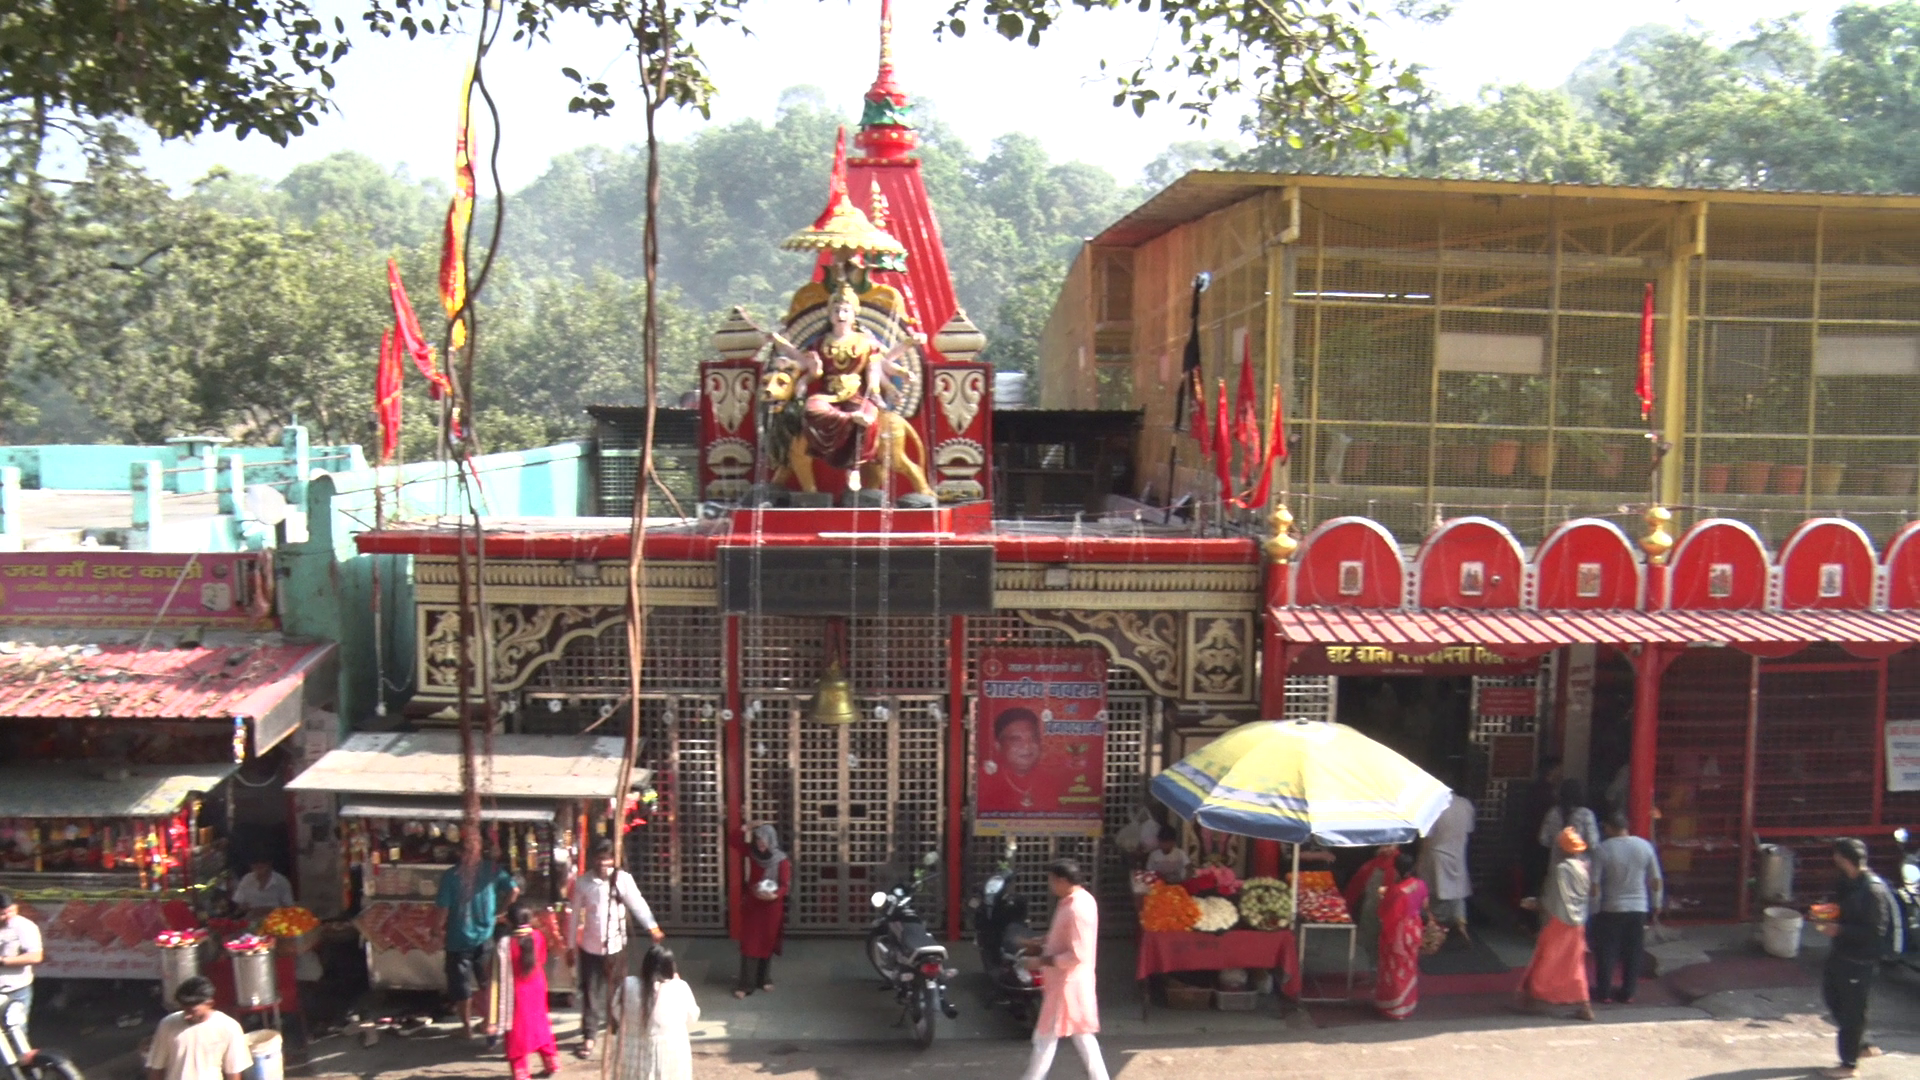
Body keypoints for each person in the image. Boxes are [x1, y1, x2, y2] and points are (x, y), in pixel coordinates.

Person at [766, 280, 924, 473]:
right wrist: (781, 344)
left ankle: (856, 463)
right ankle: (849, 419)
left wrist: (907, 348)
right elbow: (800, 360)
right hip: (828, 396)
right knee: (811, 409)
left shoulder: (866, 342)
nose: (841, 315)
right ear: (829, 315)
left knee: (870, 418)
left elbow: (882, 364)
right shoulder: (820, 343)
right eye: (836, 311)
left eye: (845, 311)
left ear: (854, 313)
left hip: (857, 396)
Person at [566, 840, 663, 1058]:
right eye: (600, 858)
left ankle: (617, 1027)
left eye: (608, 858)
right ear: (593, 859)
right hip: (590, 948)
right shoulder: (583, 883)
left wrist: (652, 927)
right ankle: (589, 1036)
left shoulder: (623, 880)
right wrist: (570, 946)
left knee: (618, 991)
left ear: (614, 858)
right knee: (590, 993)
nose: (604, 863)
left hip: (616, 946)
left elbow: (637, 903)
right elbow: (573, 917)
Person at [1814, 838, 1897, 1078]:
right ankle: (1861, 1045)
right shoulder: (1846, 882)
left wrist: (1839, 930)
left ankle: (1849, 1065)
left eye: (1836, 855)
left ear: (1843, 857)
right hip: (1841, 953)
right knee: (1832, 997)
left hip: (1860, 960)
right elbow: (1841, 907)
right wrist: (1826, 913)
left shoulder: (1872, 890)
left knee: (1852, 1010)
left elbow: (1875, 932)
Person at [1019, 859, 1108, 1080]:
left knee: (1045, 1037)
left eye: (1051, 880)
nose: (1050, 885)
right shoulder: (1073, 901)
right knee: (1082, 1036)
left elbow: (1077, 954)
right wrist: (1041, 942)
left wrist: (1040, 961)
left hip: (1067, 983)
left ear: (1061, 880)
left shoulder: (1078, 907)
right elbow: (1065, 937)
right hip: (1068, 982)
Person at [436, 851, 520, 1040]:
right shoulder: (491, 870)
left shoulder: (452, 876)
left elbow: (443, 909)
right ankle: (488, 1023)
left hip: (458, 939)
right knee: (487, 982)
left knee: (461, 985)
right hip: (485, 935)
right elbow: (514, 889)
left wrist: (436, 929)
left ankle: (466, 1028)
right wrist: (501, 913)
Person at [1517, 827, 1595, 1022]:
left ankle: (1533, 998)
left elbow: (1553, 898)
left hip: (1558, 921)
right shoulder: (1584, 868)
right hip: (1578, 922)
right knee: (1574, 964)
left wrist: (1536, 904)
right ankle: (1584, 1005)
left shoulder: (1561, 870)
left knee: (1545, 959)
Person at [1590, 812, 1663, 1004]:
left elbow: (1594, 884)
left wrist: (1594, 908)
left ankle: (1604, 992)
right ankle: (1628, 992)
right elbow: (1655, 879)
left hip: (1610, 907)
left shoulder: (1602, 849)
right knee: (1633, 951)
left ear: (1609, 828)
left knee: (1607, 951)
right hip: (1638, 907)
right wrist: (1656, 903)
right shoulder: (1644, 846)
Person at [145, 976, 251, 1080]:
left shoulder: (229, 1028)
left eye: (193, 1011)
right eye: (184, 1009)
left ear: (209, 1004)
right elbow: (156, 1068)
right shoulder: (167, 1025)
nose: (187, 1016)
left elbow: (233, 1072)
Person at [495, 906, 558, 1080]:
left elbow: (498, 972)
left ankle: (521, 1070)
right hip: (537, 986)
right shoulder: (538, 936)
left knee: (516, 1029)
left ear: (509, 921)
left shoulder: (505, 944)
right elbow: (542, 959)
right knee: (541, 1022)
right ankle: (551, 1059)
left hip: (516, 991)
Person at [729, 823, 791, 998]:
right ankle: (746, 984)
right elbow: (733, 840)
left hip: (771, 908)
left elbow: (785, 885)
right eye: (758, 840)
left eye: (763, 840)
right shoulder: (752, 853)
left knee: (766, 942)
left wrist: (775, 895)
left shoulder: (781, 860)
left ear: (771, 840)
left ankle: (764, 979)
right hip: (753, 905)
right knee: (750, 944)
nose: (760, 844)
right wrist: (747, 827)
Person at [1374, 851, 1428, 1020]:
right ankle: (1407, 1004)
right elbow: (1425, 905)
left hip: (1397, 933)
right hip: (1414, 930)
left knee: (1393, 968)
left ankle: (1394, 1007)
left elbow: (1385, 913)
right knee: (1409, 967)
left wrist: (1382, 896)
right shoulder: (1421, 884)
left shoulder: (1397, 891)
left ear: (1396, 870)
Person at [980, 707, 1063, 814]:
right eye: (1016, 739)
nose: (1027, 746)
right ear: (998, 746)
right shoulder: (982, 781)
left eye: (1033, 738)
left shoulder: (1054, 782)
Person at [1419, 790, 1475, 945]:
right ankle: (1460, 924)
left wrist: (1420, 861)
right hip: (1458, 854)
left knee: (1436, 895)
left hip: (1436, 855)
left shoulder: (1434, 806)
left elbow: (1427, 837)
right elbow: (1469, 829)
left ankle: (1437, 931)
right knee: (1458, 893)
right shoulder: (1465, 804)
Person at [637, 945, 701, 1080]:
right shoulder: (680, 987)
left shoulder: (629, 986)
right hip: (673, 1053)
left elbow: (618, 1012)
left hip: (637, 1053)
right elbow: (692, 1016)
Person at [1344, 844, 1399, 968]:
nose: (1386, 849)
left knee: (1382, 945)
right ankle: (1373, 973)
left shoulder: (1397, 868)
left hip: (1387, 914)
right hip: (1371, 910)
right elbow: (1356, 887)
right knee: (1370, 943)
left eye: (1390, 846)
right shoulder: (1371, 867)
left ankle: (1379, 975)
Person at [0, 892, 43, 1043]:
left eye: (10, 912)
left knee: (16, 1035)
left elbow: (35, 956)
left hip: (16, 991)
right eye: (2, 914)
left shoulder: (25, 926)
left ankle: (18, 1065)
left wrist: (4, 961)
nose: (7, 917)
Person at [1537, 779, 1600, 876]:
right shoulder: (1586, 815)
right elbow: (1593, 843)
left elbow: (1543, 840)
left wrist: (1558, 844)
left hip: (1556, 867)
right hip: (1580, 868)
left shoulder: (1552, 813)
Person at [231, 858, 295, 918]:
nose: (259, 865)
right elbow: (238, 903)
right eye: (255, 863)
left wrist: (269, 910)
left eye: (262, 862)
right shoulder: (246, 879)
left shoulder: (281, 881)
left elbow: (289, 906)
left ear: (269, 864)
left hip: (276, 919)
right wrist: (244, 908)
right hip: (251, 920)